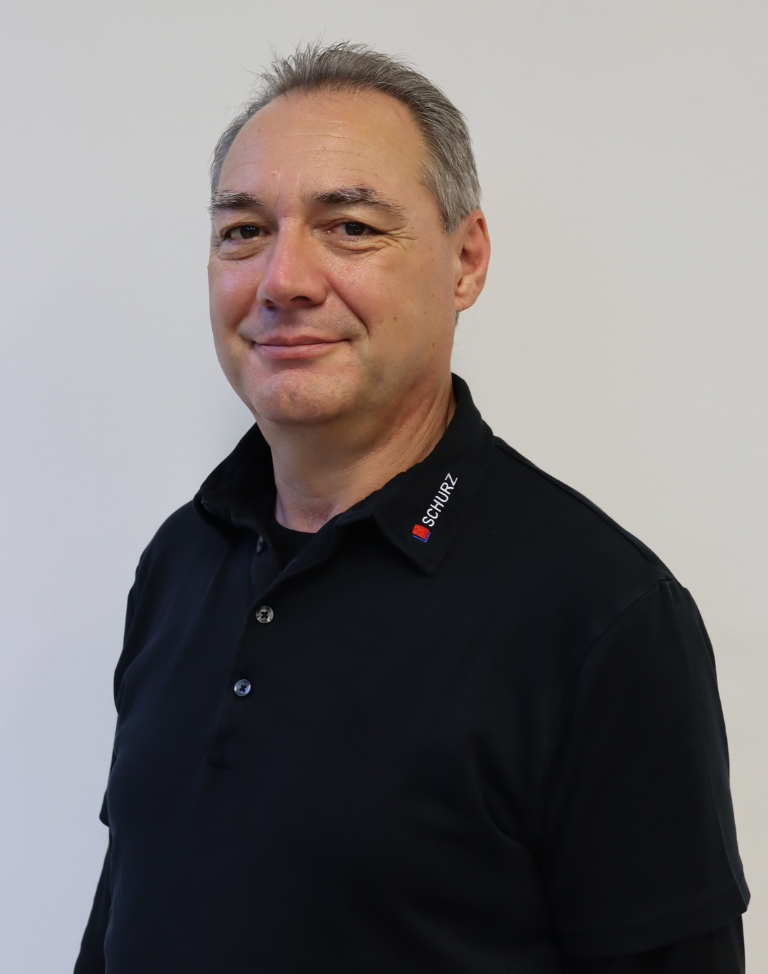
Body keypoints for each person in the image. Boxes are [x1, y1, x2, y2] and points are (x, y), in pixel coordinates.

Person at [74, 42, 748, 974]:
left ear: (465, 261)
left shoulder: (605, 619)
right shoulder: (179, 562)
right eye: (244, 231)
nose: (282, 280)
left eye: (349, 226)